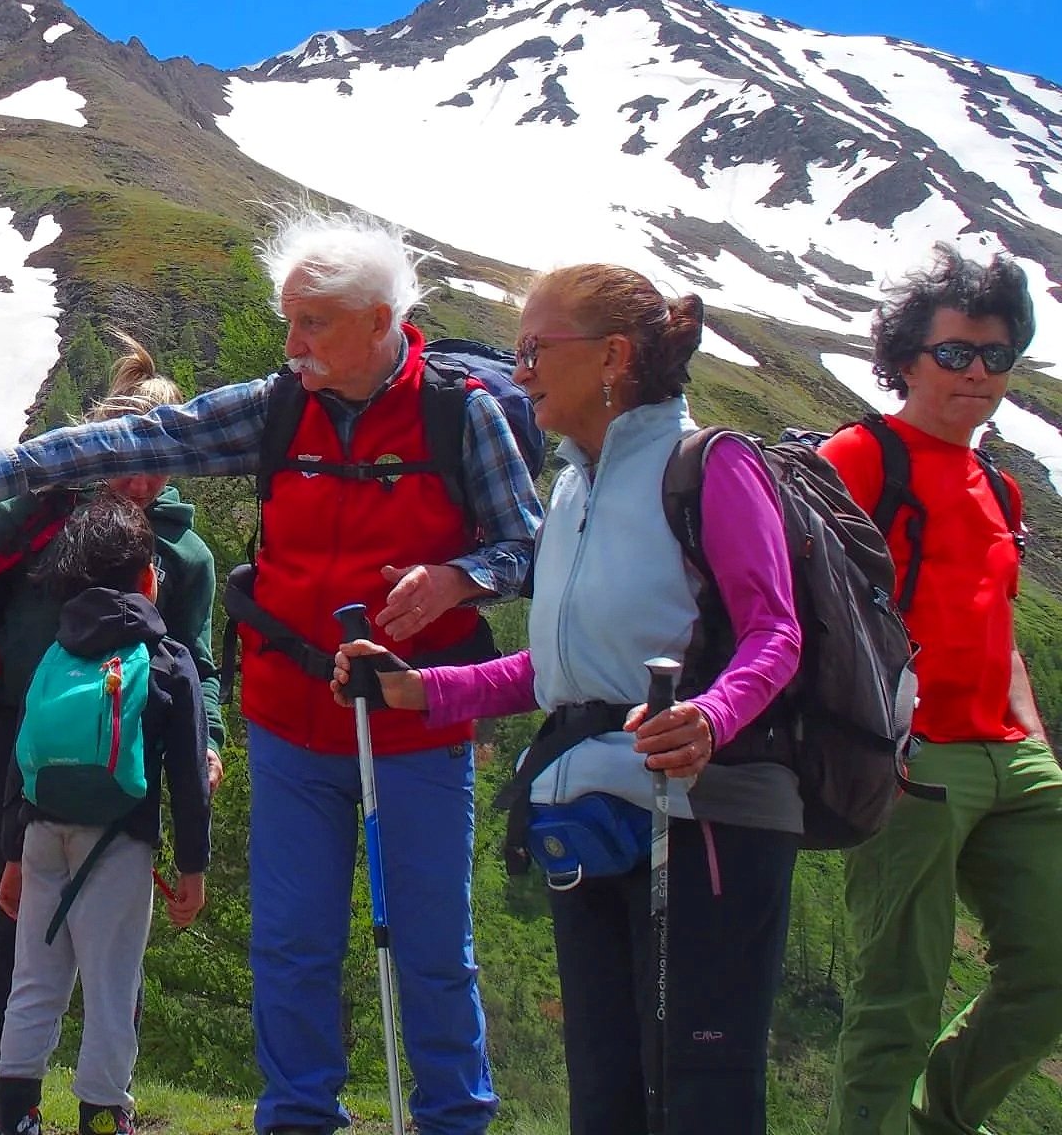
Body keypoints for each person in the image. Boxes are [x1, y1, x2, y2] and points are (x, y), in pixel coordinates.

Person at [0, 211, 540, 1135]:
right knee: (290, 942)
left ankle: (451, 1120)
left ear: (382, 317)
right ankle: (300, 1116)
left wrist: (458, 579)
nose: (292, 343)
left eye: (311, 323)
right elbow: (142, 439)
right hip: (288, 716)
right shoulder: (280, 406)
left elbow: (527, 545)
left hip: (414, 717)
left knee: (434, 947)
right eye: (288, 321)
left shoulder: (461, 415)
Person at [337, 264, 803, 1135]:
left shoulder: (711, 465)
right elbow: (559, 676)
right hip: (593, 810)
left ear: (613, 357)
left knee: (700, 1089)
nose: (520, 373)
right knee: (608, 1092)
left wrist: (708, 716)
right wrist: (415, 690)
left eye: (535, 350)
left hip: (707, 815)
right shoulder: (572, 490)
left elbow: (773, 632)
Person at [0, 333, 223, 1135]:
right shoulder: (51, 507)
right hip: (17, 742)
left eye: (162, 465)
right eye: (131, 460)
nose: (144, 480)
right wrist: (39, 496)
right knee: (14, 908)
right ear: (99, 449)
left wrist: (211, 739)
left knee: (110, 931)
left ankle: (86, 1101)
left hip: (122, 743)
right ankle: (10, 1096)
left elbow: (197, 659)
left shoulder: (183, 553)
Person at [819, 247, 1061, 1135]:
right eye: (956, 352)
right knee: (898, 1000)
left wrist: (1032, 736)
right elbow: (805, 608)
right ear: (908, 357)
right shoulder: (860, 456)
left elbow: (995, 620)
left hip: (1011, 757)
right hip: (916, 763)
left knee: (1050, 970)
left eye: (997, 356)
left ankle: (941, 1121)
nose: (978, 373)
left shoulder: (996, 481)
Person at [0, 492, 210, 1135]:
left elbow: (18, 761)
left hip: (40, 833)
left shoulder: (55, 655)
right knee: (112, 984)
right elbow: (188, 777)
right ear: (149, 577)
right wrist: (192, 868)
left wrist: (11, 854)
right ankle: (102, 1113)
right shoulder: (167, 660)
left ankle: (13, 1114)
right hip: (120, 838)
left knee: (35, 976)